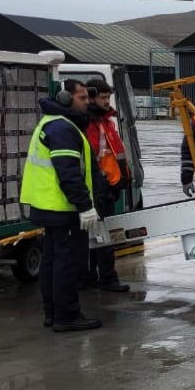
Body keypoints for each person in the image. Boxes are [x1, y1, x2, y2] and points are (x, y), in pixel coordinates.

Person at [19, 79, 107, 332]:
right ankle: (67, 316)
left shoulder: (53, 123)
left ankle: (53, 313)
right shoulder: (63, 128)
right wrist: (85, 206)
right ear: (66, 98)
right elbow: (69, 173)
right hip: (62, 208)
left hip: (49, 207)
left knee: (52, 261)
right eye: (82, 98)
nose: (88, 102)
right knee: (68, 264)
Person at [81, 78, 131, 292]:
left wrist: (120, 181)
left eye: (108, 97)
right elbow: (92, 158)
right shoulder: (90, 124)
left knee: (97, 235)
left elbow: (113, 155)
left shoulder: (105, 122)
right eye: (103, 97)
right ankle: (107, 278)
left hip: (107, 186)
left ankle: (90, 277)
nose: (106, 101)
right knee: (103, 235)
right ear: (91, 97)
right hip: (98, 187)